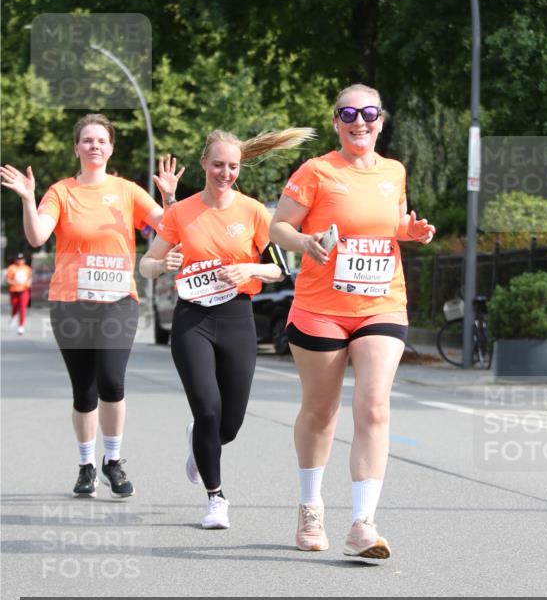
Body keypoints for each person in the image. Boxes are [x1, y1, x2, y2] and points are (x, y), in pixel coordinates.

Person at [269, 83, 435, 560]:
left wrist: (410, 230)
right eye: (348, 114)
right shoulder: (316, 171)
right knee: (321, 412)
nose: (359, 121)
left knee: (374, 405)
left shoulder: (394, 171)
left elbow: (390, 222)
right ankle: (310, 506)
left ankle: (363, 523)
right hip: (321, 308)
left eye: (368, 113)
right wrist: (305, 242)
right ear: (336, 123)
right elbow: (279, 227)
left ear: (381, 121)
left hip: (382, 303)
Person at [139, 126, 314, 529]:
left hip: (237, 317)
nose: (225, 173)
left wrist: (249, 268)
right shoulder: (180, 212)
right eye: (218, 164)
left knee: (228, 425)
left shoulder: (254, 212)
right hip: (193, 319)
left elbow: (279, 270)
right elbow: (147, 264)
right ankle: (216, 498)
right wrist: (160, 264)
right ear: (204, 163)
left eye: (232, 166)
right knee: (208, 409)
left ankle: (199, 439)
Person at [0, 114, 183, 499]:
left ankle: (113, 461)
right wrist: (29, 199)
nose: (94, 145)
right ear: (76, 148)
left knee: (112, 381)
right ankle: (86, 466)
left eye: (101, 140)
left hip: (118, 300)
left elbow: (169, 227)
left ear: (110, 148)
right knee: (84, 389)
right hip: (70, 302)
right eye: (87, 140)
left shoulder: (127, 191)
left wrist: (169, 198)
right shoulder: (61, 192)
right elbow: (37, 236)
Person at [6, 253, 32, 334]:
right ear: (15, 260)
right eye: (18, 259)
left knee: (22, 308)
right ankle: (13, 316)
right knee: (14, 306)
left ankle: (21, 326)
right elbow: (8, 280)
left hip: (24, 291)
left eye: (21, 259)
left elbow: (30, 278)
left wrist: (28, 283)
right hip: (14, 291)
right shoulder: (11, 268)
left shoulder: (27, 269)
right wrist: (15, 282)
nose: (20, 261)